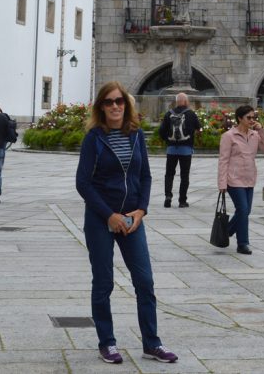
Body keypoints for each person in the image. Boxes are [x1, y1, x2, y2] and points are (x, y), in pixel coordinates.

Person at [76, 81, 178, 364]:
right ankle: (107, 343)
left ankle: (152, 343)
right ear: (101, 107)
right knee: (104, 282)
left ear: (126, 104)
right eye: (108, 102)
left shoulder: (135, 136)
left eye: (119, 101)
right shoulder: (93, 139)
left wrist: (141, 211)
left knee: (144, 281)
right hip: (101, 219)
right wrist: (109, 215)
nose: (114, 107)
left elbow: (145, 176)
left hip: (133, 219)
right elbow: (83, 183)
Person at [218, 104, 264, 255]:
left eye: (254, 117)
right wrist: (222, 183)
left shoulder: (255, 135)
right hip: (233, 179)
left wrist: (261, 129)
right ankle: (243, 243)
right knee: (242, 209)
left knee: (245, 211)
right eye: (248, 117)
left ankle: (227, 230)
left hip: (249, 178)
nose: (252, 120)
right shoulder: (229, 136)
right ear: (239, 118)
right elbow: (223, 161)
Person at [158, 92, 202, 208]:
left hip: (171, 149)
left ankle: (168, 196)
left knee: (169, 174)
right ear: (186, 102)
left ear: (176, 101)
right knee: (184, 175)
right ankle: (182, 201)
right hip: (186, 150)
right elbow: (199, 127)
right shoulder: (191, 114)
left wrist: (168, 141)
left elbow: (161, 131)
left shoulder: (169, 114)